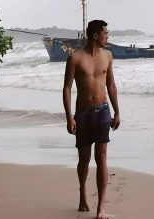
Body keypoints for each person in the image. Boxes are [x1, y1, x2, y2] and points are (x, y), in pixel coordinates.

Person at [63, 19, 120, 218]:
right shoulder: (75, 58)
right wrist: (69, 116)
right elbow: (67, 88)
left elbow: (111, 85)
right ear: (96, 35)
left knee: (102, 158)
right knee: (84, 159)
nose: (107, 36)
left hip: (103, 111)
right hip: (83, 114)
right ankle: (83, 192)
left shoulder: (108, 56)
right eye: (105, 33)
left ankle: (101, 208)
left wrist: (117, 111)